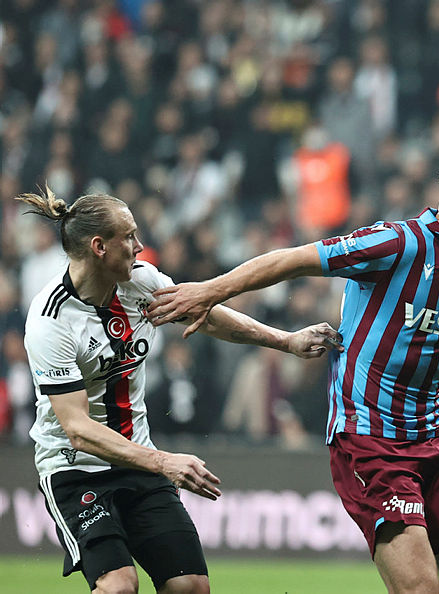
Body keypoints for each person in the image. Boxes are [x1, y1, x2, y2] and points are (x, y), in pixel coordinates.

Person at [149, 144, 439, 593]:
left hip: (434, 436)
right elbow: (290, 260)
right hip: (371, 440)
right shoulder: (397, 243)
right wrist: (209, 291)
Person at [18, 187, 342, 594]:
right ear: (99, 247)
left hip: (138, 461)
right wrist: (163, 462)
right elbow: (77, 428)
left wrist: (286, 341)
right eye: (130, 237)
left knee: (190, 587)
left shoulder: (140, 283)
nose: (139, 246)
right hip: (75, 469)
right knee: (119, 587)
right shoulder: (52, 321)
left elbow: (205, 317)